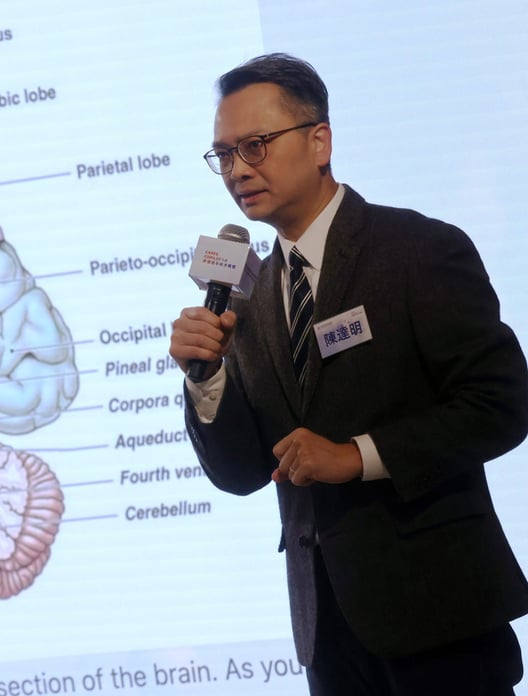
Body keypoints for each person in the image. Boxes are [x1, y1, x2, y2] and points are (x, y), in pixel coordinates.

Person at [168, 52, 528, 695]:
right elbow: (241, 472)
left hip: (441, 620)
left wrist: (355, 456)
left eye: (255, 145)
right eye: (222, 155)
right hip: (328, 636)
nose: (236, 169)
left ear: (319, 141)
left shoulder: (417, 249)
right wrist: (205, 379)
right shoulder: (245, 295)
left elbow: (502, 404)